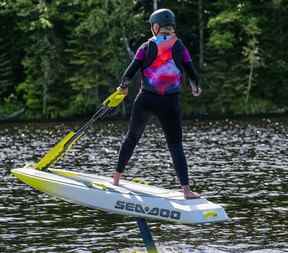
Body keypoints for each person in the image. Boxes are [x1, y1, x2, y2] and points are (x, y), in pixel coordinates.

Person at [112, 8, 202, 199]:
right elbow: (192, 72)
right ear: (171, 26)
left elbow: (130, 72)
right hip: (170, 103)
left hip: (146, 100)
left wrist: (124, 87)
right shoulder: (179, 46)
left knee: (132, 138)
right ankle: (186, 190)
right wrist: (195, 88)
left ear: (155, 27)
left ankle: (116, 179)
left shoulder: (146, 47)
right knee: (176, 145)